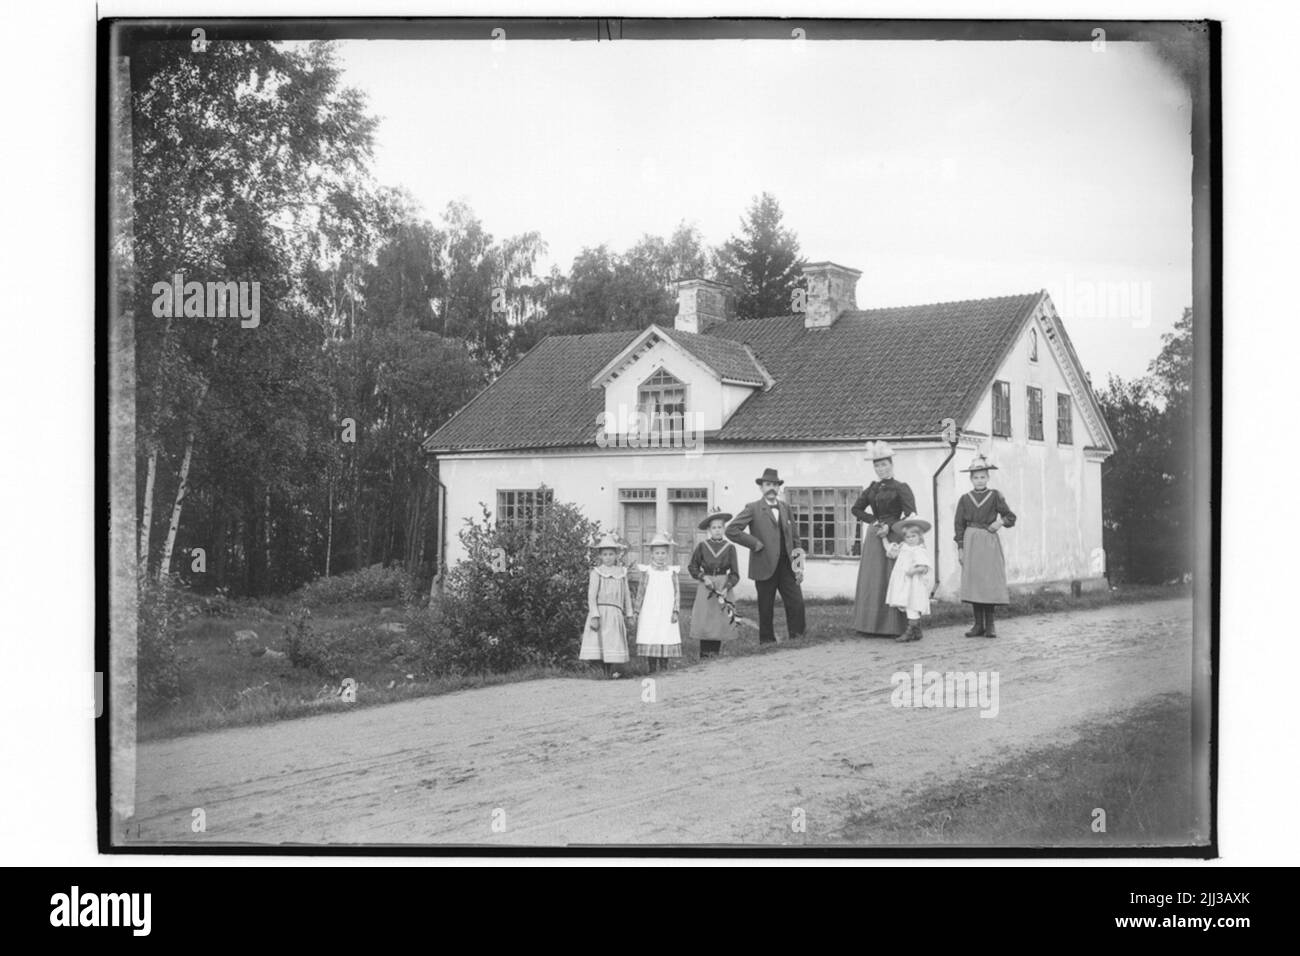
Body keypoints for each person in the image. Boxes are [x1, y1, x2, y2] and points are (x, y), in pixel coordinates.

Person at [726, 467, 807, 644]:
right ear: (761, 488)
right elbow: (731, 530)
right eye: (767, 484)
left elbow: (796, 539)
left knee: (796, 603)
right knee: (765, 606)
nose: (771, 488)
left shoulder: (786, 508)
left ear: (778, 488)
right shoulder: (753, 508)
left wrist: (799, 567)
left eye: (775, 485)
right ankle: (767, 641)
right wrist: (754, 543)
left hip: (787, 566)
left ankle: (798, 639)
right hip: (764, 564)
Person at [850, 441, 917, 636]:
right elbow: (856, 509)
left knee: (893, 578)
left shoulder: (901, 487)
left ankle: (895, 626)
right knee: (873, 579)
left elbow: (911, 514)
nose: (881, 469)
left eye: (884, 465)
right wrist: (874, 521)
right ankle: (869, 625)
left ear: (891, 465)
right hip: (875, 536)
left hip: (894, 537)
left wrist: (892, 526)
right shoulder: (872, 488)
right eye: (877, 466)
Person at [954, 454, 1018, 638]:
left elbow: (1011, 517)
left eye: (983, 477)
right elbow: (958, 525)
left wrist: (999, 523)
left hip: (989, 542)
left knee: (988, 582)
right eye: (976, 477)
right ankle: (977, 625)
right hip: (971, 541)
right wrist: (960, 547)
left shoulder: (995, 496)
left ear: (988, 478)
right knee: (975, 582)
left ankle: (990, 625)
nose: (979, 480)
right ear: (971, 479)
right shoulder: (965, 499)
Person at [578, 533, 634, 677]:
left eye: (611, 554)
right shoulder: (597, 573)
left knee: (612, 642)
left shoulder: (621, 573)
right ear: (600, 556)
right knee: (598, 642)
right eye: (605, 554)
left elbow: (626, 594)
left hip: (615, 613)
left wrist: (629, 614)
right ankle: (598, 671)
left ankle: (609, 671)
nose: (608, 557)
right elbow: (591, 596)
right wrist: (594, 615)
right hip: (601, 612)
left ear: (616, 555)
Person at [687, 508, 740, 657]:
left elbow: (735, 574)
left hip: (723, 585)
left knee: (718, 620)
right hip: (706, 585)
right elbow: (692, 566)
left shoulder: (730, 548)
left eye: (720, 527)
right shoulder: (702, 546)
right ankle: (704, 654)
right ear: (709, 530)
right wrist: (703, 577)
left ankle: (715, 654)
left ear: (724, 529)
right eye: (714, 528)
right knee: (705, 618)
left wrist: (727, 588)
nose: (717, 530)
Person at [634, 532, 683, 671]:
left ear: (667, 554)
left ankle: (664, 667)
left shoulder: (672, 572)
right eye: (657, 553)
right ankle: (651, 668)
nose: (660, 556)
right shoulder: (647, 571)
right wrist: (636, 611)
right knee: (651, 634)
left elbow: (677, 592)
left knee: (665, 635)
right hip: (650, 610)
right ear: (651, 554)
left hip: (666, 610)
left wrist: (675, 610)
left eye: (663, 553)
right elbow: (640, 592)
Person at [886, 516, 933, 643]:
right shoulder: (903, 547)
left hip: (914, 582)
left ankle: (911, 631)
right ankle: (917, 631)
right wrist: (884, 538)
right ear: (904, 538)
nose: (911, 539)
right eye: (908, 537)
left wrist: (914, 570)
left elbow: (924, 567)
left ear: (919, 537)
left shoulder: (919, 550)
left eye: (914, 536)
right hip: (903, 581)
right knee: (906, 602)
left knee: (913, 603)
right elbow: (891, 553)